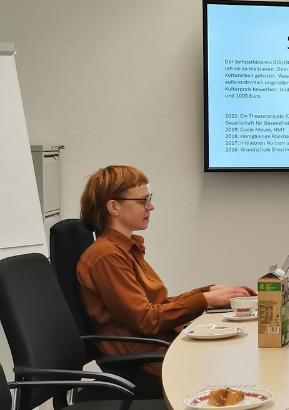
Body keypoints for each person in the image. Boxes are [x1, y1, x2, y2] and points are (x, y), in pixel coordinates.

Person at [77, 165, 253, 394]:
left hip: (156, 352)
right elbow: (146, 319)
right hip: (143, 364)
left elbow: (153, 306)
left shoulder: (123, 249)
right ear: (113, 207)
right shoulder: (106, 257)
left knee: (237, 354)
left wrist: (208, 291)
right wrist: (205, 299)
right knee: (238, 367)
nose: (151, 206)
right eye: (142, 201)